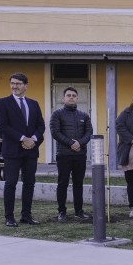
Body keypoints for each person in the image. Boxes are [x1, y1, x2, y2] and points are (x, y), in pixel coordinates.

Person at [0, 72, 45, 227]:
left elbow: (40, 125)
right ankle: (9, 217)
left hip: (31, 150)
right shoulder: (2, 103)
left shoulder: (34, 103)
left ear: (26, 86)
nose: (14, 86)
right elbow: (3, 126)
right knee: (11, 183)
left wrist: (33, 139)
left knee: (29, 183)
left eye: (18, 83)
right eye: (12, 83)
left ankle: (26, 216)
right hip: (12, 150)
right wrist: (23, 138)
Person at [49, 87, 94, 222]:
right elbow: (55, 132)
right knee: (62, 183)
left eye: (74, 95)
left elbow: (89, 132)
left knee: (78, 183)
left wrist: (79, 143)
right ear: (63, 98)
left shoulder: (84, 115)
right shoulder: (56, 114)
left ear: (77, 98)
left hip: (80, 155)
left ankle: (79, 211)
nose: (71, 97)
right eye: (68, 95)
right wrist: (71, 143)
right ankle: (61, 211)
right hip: (64, 155)